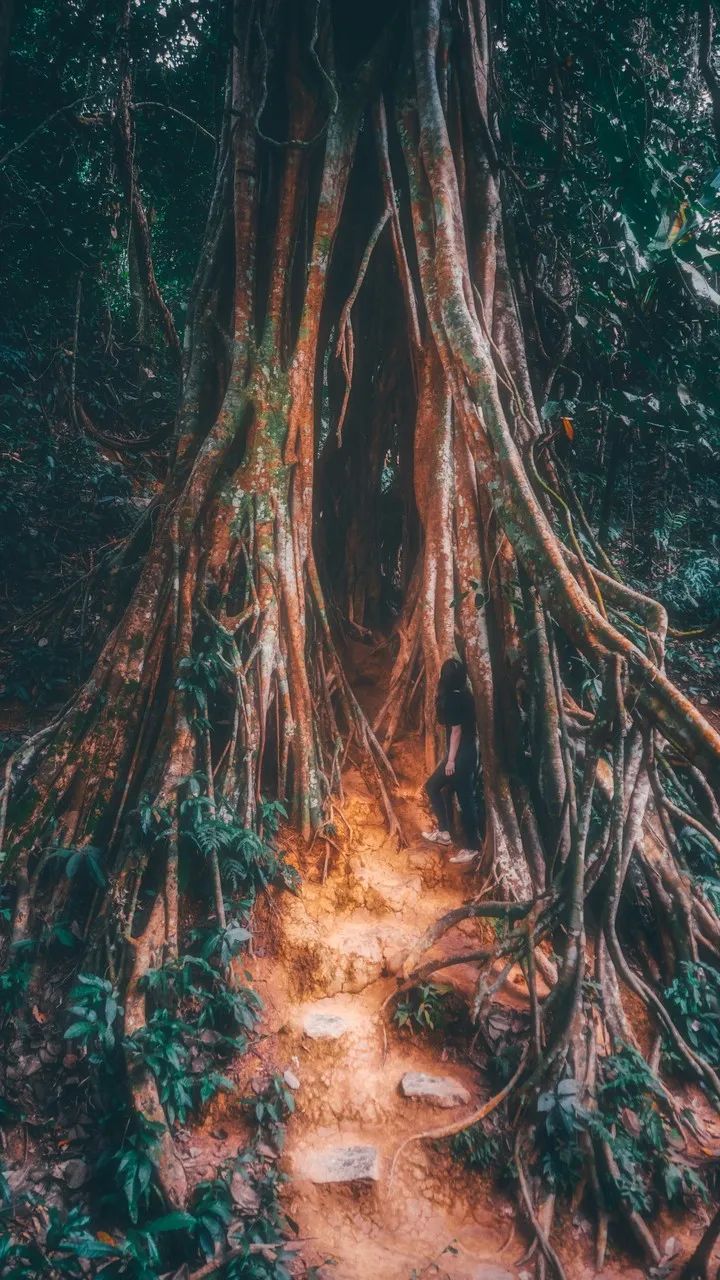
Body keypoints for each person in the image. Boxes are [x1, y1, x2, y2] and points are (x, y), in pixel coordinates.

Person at [422, 656, 480, 865]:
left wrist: (450, 761)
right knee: (445, 791)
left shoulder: (454, 700)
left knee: (459, 797)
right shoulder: (467, 695)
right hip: (469, 752)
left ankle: (472, 847)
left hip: (461, 757)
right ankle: (445, 833)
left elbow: (456, 732)